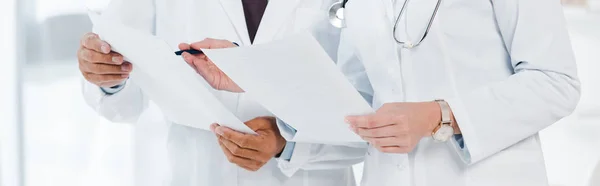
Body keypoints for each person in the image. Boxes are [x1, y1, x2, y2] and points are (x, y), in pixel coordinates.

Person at [78, 0, 365, 185]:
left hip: (313, 175)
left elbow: (370, 103)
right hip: (199, 171)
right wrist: (106, 72)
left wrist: (286, 141)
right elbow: (123, 98)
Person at [337, 0, 581, 185]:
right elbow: (357, 90)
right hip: (385, 175)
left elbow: (556, 81)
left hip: (484, 175)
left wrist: (439, 115)